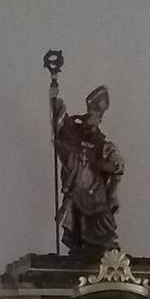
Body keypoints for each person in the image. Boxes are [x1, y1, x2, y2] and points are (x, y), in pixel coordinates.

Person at [51, 78, 124, 252]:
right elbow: (61, 128)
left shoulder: (104, 145)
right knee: (80, 220)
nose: (89, 121)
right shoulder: (76, 138)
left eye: (95, 117)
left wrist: (103, 164)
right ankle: (81, 247)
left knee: (100, 219)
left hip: (96, 191)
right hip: (78, 188)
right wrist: (54, 98)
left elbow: (117, 165)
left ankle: (105, 248)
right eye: (89, 116)